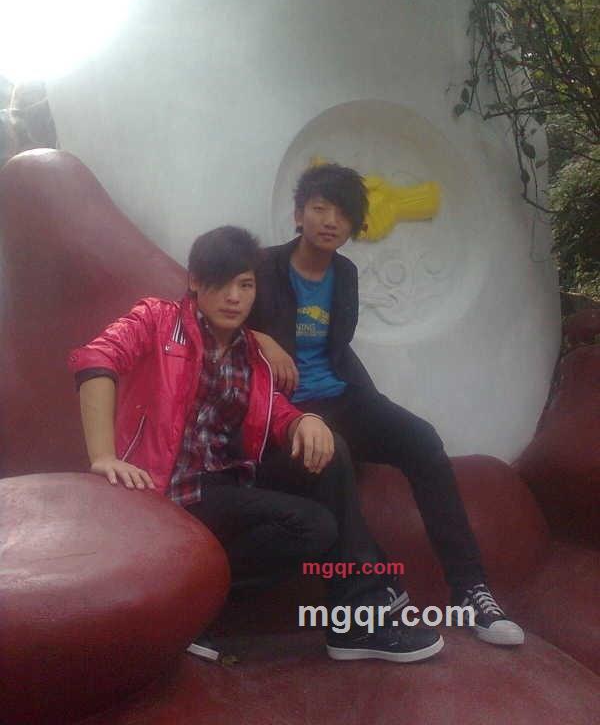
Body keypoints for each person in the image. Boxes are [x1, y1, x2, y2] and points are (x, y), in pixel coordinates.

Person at [68, 225, 444, 663]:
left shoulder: (252, 354)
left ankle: (354, 621)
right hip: (166, 490)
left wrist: (305, 420)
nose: (234, 297)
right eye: (221, 283)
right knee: (315, 516)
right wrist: (103, 456)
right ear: (195, 281)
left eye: (245, 285)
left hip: (222, 488)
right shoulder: (157, 320)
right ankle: (194, 605)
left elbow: (274, 411)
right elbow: (96, 357)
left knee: (326, 481)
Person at [247, 164, 524, 646]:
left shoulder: (345, 274)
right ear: (298, 215)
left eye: (342, 213)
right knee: (333, 455)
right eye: (319, 208)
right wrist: (259, 340)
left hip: (342, 396)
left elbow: (336, 349)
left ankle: (470, 588)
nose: (330, 221)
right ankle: (371, 594)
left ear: (354, 225)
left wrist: (370, 401)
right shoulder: (262, 267)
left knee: (423, 441)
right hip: (285, 409)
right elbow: (207, 313)